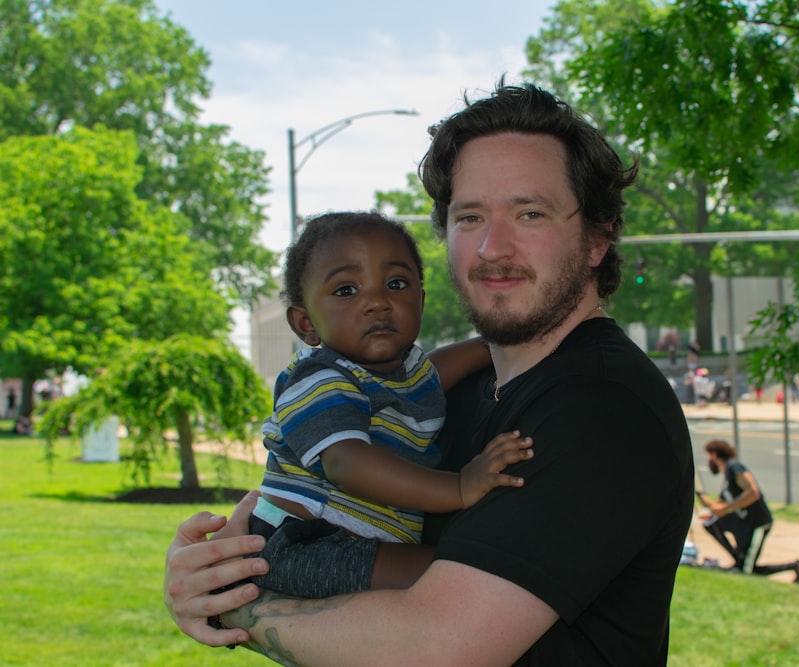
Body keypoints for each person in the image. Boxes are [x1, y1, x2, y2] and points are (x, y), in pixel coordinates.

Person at [164, 81, 694, 666]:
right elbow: (307, 484)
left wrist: (235, 606)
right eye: (470, 217)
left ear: (597, 239)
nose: (493, 247)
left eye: (530, 212)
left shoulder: (600, 409)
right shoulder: (455, 391)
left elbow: (432, 648)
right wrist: (218, 565)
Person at [246, 211, 533, 599]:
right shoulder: (318, 378)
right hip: (303, 543)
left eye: (396, 284)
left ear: (421, 300)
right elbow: (346, 463)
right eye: (346, 290)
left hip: (353, 542)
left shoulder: (405, 370)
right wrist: (459, 487)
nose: (378, 302)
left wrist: (496, 344)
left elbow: (433, 374)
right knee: (464, 578)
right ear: (305, 323)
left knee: (465, 578)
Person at [696, 440, 799, 583]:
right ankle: (794, 566)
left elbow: (753, 492)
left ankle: (795, 565)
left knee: (744, 571)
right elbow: (717, 509)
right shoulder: (727, 481)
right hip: (744, 525)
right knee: (711, 524)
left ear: (713, 455)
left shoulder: (734, 467)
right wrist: (699, 492)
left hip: (757, 523)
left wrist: (728, 507)